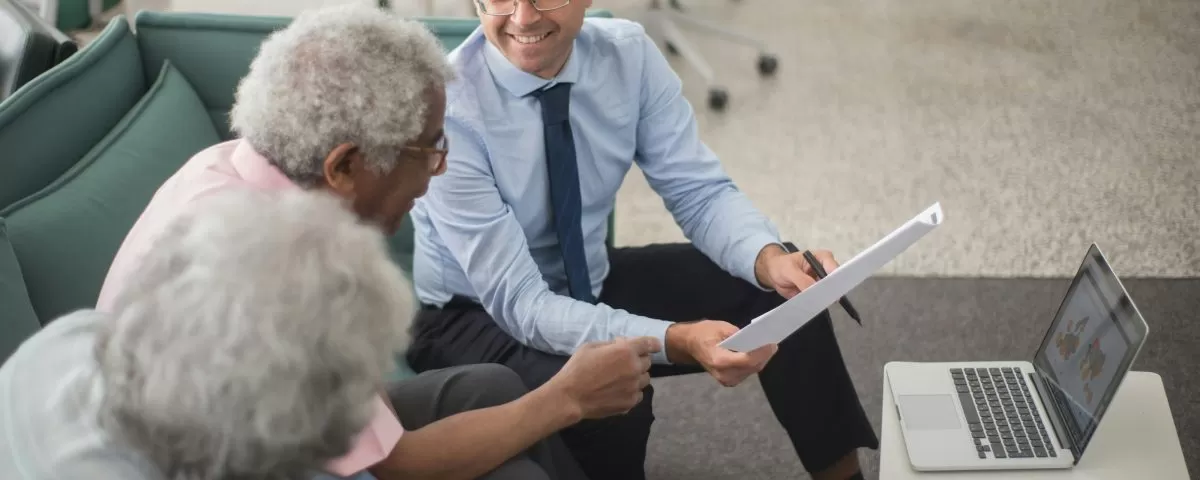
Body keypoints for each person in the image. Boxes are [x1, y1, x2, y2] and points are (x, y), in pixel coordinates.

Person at [89, 5, 655, 479]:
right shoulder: (283, 272)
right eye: (431, 148)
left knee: (491, 386)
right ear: (346, 165)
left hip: (273, 425)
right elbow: (402, 466)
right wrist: (568, 398)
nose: (440, 169)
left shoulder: (227, 169)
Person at [406, 1, 880, 479]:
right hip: (471, 316)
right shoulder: (447, 108)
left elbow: (698, 192)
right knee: (615, 394)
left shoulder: (627, 56)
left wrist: (770, 259)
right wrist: (676, 341)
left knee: (786, 296)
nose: (524, 18)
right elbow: (524, 304)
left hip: (586, 277)